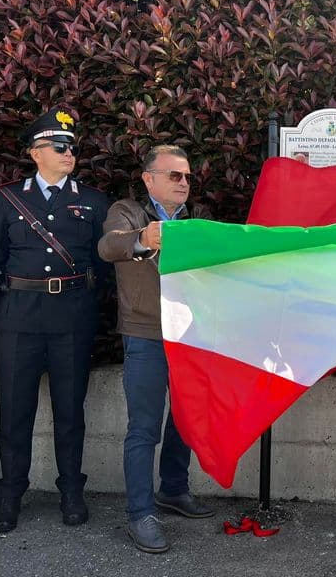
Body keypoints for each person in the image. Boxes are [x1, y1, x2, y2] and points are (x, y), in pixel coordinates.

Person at [0, 107, 108, 532]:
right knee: (14, 411)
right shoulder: (6, 199)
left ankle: (71, 490)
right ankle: (10, 493)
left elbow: (102, 264)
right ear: (35, 153)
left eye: (72, 146)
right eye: (59, 146)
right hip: (18, 318)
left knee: (70, 411)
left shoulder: (93, 201)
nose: (68, 152)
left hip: (72, 318)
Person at [98, 144, 214, 554]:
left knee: (184, 419)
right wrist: (142, 239)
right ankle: (140, 513)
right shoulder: (128, 212)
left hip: (188, 335)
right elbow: (109, 247)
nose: (184, 183)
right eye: (174, 176)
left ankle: (174, 491)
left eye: (187, 176)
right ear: (149, 179)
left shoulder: (199, 219)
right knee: (144, 428)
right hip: (145, 335)